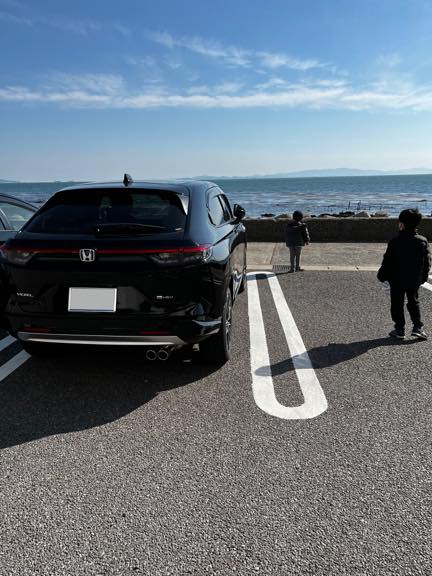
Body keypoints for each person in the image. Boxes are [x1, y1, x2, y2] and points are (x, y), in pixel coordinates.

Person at [377, 208, 431, 340]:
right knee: (413, 302)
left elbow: (388, 262)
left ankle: (399, 329)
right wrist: (423, 278)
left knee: (397, 303)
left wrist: (382, 275)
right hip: (414, 279)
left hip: (397, 279)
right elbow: (426, 263)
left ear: (401, 224)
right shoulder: (422, 241)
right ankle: (418, 327)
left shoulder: (395, 242)